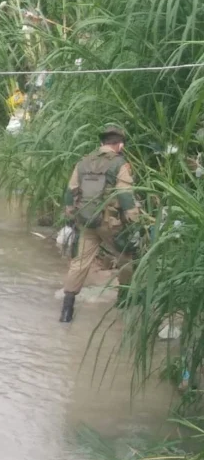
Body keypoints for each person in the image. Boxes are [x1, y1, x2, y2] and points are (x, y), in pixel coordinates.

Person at [59, 125, 140, 323]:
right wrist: (134, 220)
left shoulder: (83, 162)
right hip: (109, 224)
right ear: (119, 145)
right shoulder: (120, 164)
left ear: (102, 143)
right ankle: (123, 301)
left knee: (79, 264)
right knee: (127, 257)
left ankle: (66, 311)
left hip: (85, 221)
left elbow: (70, 191)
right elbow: (125, 195)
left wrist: (70, 213)